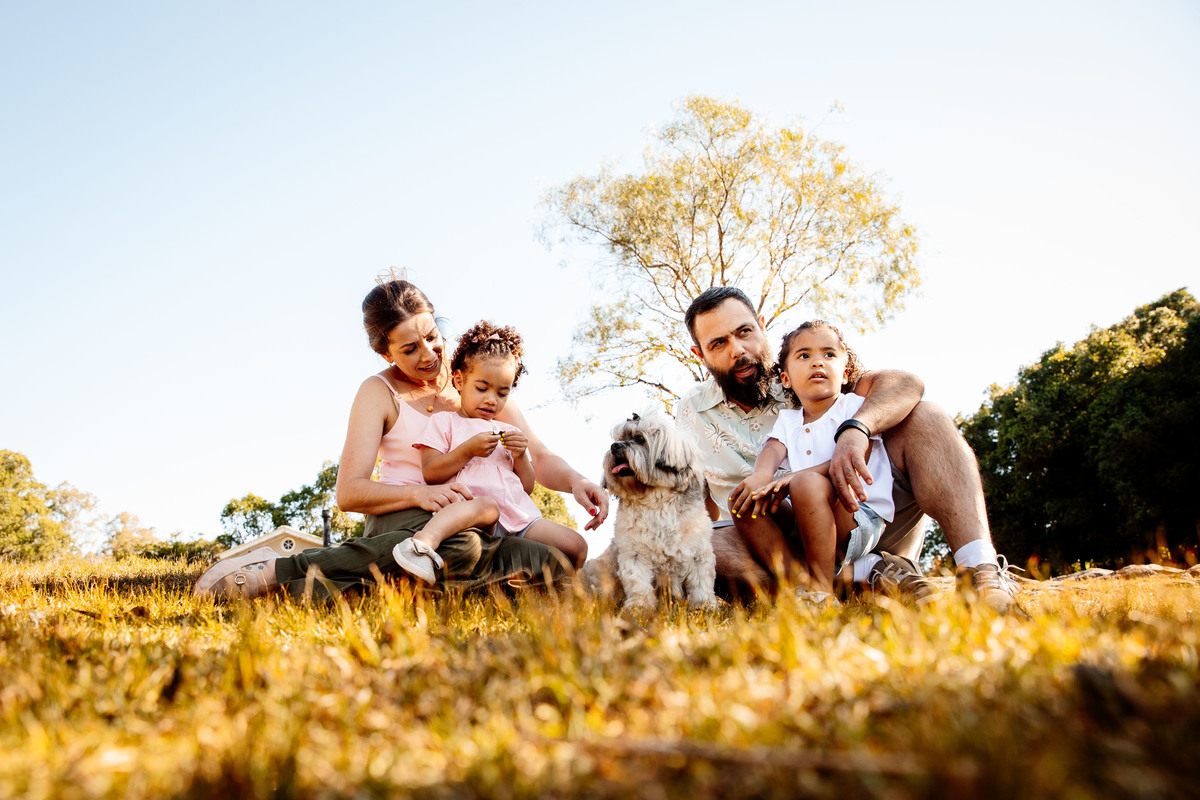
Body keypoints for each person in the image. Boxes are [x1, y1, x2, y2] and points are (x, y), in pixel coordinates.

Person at [193, 277, 607, 601]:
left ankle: (336, 592)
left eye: (432, 337)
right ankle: (282, 570)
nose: (428, 354)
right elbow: (349, 493)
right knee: (462, 546)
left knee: (549, 557)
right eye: (410, 349)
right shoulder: (378, 393)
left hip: (483, 524)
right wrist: (419, 497)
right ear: (386, 353)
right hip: (406, 515)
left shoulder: (477, 387)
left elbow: (538, 453)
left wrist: (577, 483)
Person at [675, 287, 1019, 612]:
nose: (738, 350)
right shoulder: (691, 412)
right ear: (700, 354)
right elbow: (696, 506)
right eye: (719, 343)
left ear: (761, 327)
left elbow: (905, 385)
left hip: (859, 516)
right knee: (696, 545)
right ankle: (855, 579)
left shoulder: (809, 369)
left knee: (925, 415)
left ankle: (980, 570)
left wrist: (858, 429)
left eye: (745, 331)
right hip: (771, 543)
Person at [394, 321, 589, 583]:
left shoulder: (507, 430)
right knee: (488, 506)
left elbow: (527, 488)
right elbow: (431, 473)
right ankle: (421, 546)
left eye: (502, 393)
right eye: (482, 388)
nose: (491, 400)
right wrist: (466, 451)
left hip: (519, 519)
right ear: (460, 380)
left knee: (576, 546)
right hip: (473, 517)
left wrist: (520, 458)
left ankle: (538, 586)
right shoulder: (445, 422)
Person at [729, 320, 896, 602]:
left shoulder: (853, 408)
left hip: (856, 514)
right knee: (744, 502)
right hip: (805, 512)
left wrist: (795, 477)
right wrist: (761, 476)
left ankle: (821, 592)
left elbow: (852, 462)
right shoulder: (789, 420)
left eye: (829, 355)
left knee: (806, 482)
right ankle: (796, 584)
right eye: (804, 356)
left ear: (844, 374)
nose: (817, 362)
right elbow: (772, 449)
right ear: (786, 379)